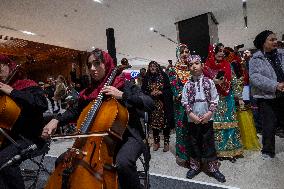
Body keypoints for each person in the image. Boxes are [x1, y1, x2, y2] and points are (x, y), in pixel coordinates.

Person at [41, 49, 154, 189]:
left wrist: (122, 95)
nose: (92, 69)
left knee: (123, 163)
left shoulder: (124, 85)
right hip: (96, 140)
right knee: (62, 161)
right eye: (90, 65)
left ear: (105, 64)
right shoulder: (90, 91)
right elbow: (75, 110)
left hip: (127, 136)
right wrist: (56, 120)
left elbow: (149, 103)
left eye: (97, 63)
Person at [0, 55, 48, 189]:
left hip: (33, 139)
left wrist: (12, 91)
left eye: (0, 68)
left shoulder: (27, 84)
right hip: (9, 139)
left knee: (3, 161)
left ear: (9, 66)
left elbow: (42, 104)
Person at [181, 55, 225, 183]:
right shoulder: (187, 84)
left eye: (196, 63)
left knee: (209, 142)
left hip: (207, 119)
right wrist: (191, 115)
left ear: (202, 65)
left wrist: (209, 114)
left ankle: (213, 168)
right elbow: (184, 101)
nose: (194, 66)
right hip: (192, 120)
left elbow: (214, 98)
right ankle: (195, 166)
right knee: (194, 142)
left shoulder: (209, 82)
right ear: (188, 68)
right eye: (191, 64)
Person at [203, 43, 243, 162]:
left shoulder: (228, 65)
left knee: (230, 124)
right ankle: (218, 151)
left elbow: (234, 80)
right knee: (215, 126)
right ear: (212, 53)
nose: (221, 53)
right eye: (218, 51)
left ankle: (231, 151)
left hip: (228, 98)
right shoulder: (206, 67)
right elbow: (202, 83)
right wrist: (212, 82)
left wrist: (239, 97)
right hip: (213, 99)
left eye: (222, 51)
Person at [249, 30, 284, 159]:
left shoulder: (281, 55)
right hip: (266, 97)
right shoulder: (256, 59)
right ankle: (268, 151)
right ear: (263, 43)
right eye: (271, 40)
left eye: (276, 39)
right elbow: (255, 77)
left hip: (283, 94)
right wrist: (275, 85)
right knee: (268, 124)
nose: (275, 42)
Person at [167, 44, 192, 167]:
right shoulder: (173, 69)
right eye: (182, 52)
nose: (185, 54)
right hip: (181, 105)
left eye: (187, 52)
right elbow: (175, 90)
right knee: (183, 130)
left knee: (194, 129)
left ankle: (194, 156)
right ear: (178, 54)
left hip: (195, 104)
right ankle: (184, 156)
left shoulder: (192, 67)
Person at [141, 61, 174, 152]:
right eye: (151, 66)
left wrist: (161, 92)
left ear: (157, 67)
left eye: (154, 66)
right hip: (152, 105)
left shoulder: (164, 76)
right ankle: (156, 142)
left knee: (165, 124)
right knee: (154, 124)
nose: (152, 68)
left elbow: (169, 90)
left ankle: (166, 143)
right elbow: (143, 91)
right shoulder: (146, 78)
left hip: (163, 104)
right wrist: (150, 93)